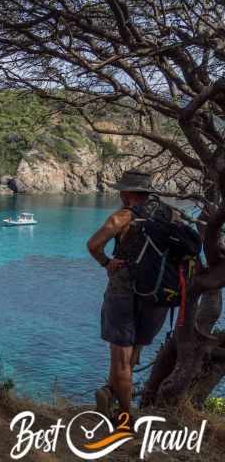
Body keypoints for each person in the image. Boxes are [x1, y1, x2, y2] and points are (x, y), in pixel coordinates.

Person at [86, 170, 169, 425]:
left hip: (124, 291)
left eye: (122, 190)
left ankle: (125, 417)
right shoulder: (170, 214)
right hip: (158, 293)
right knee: (136, 350)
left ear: (130, 193)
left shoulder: (124, 216)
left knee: (121, 358)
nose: (120, 194)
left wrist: (106, 263)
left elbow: (93, 244)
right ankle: (110, 392)